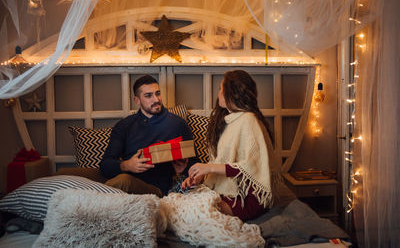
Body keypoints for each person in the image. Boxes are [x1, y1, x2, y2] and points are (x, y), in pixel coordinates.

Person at [57, 75, 197, 197]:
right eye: (148, 95)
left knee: (124, 181)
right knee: (64, 175)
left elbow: (193, 163)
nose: (156, 99)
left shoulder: (177, 124)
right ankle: (86, 200)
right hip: (121, 177)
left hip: (154, 188)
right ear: (137, 100)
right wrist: (126, 165)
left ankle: (88, 203)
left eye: (158, 93)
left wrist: (183, 169)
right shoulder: (125, 125)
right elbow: (105, 166)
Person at [182, 70, 278, 221]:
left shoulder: (248, 120)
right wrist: (200, 176)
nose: (218, 93)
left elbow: (252, 167)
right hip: (227, 192)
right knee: (183, 205)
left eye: (221, 88)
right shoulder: (228, 121)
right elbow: (221, 161)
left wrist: (209, 167)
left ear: (232, 93)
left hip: (246, 197)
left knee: (192, 211)